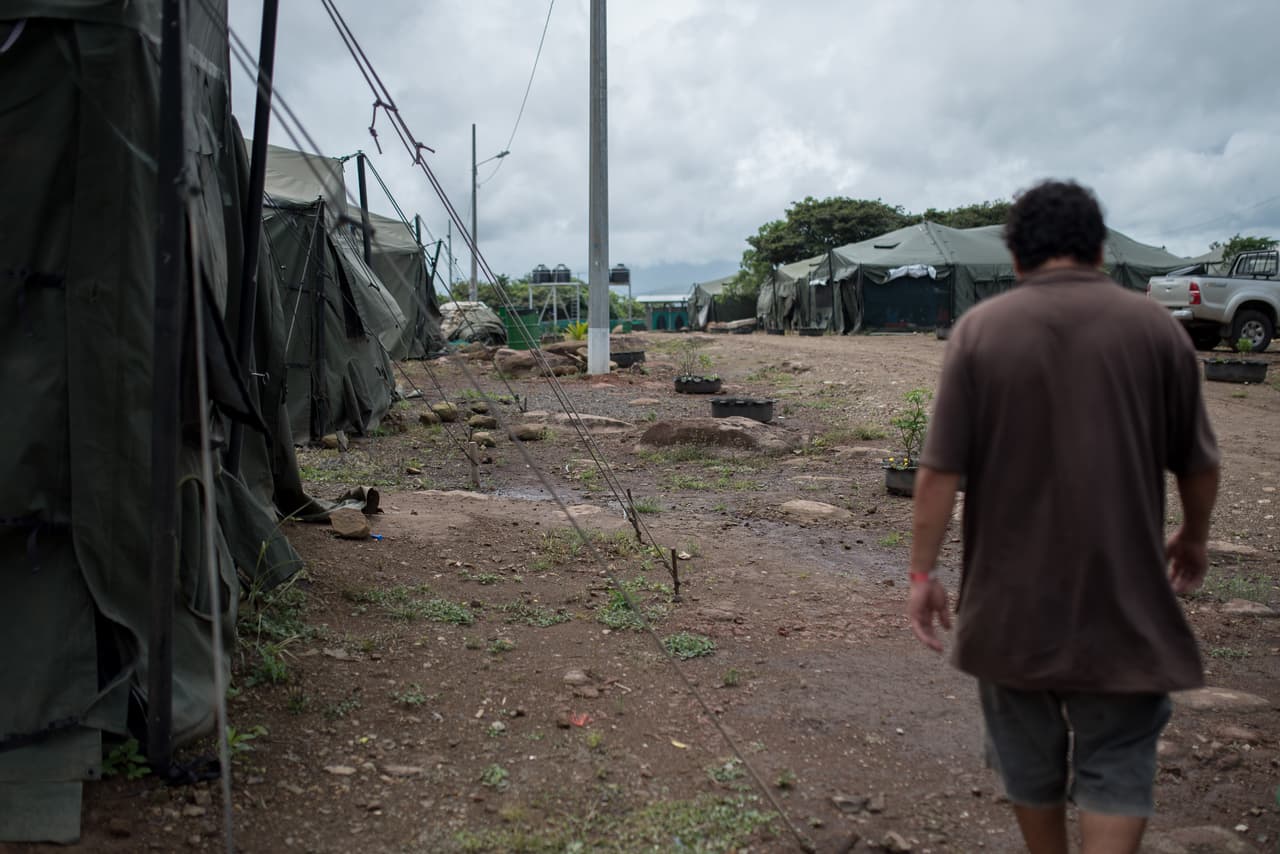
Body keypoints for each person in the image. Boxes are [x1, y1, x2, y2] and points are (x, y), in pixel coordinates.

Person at [905, 180, 1220, 854]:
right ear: (1100, 249)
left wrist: (921, 572)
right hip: (1126, 609)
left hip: (1010, 611)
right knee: (1119, 767)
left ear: (1015, 256)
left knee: (1028, 765)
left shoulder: (980, 332)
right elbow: (1197, 462)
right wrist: (1193, 536)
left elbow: (937, 473)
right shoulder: (1157, 331)